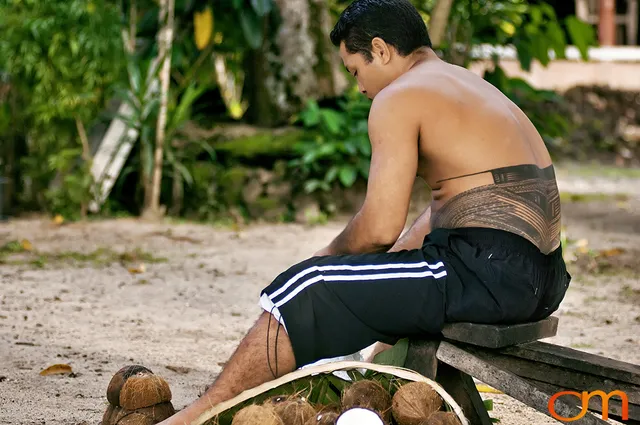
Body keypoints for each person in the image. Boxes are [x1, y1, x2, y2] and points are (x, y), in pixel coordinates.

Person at [157, 0, 571, 423]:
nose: (359, 87)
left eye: (356, 70)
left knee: (303, 286)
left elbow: (379, 227)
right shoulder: (467, 87)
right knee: (367, 277)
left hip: (488, 271)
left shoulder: (400, 96)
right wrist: (378, 281)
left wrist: (324, 259)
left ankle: (193, 418)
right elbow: (444, 210)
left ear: (381, 49)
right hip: (541, 276)